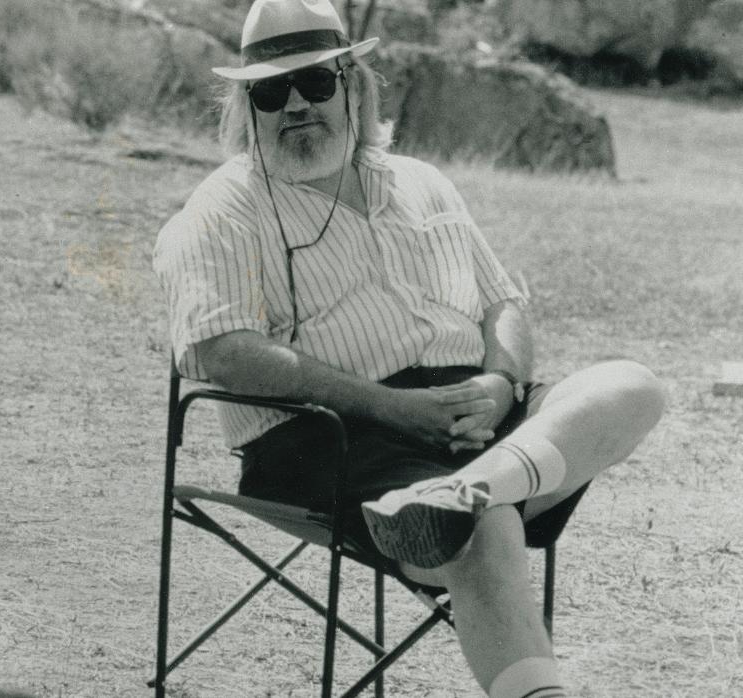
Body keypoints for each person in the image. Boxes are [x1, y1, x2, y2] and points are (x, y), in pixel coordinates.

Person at [151, 1, 666, 696]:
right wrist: (393, 408)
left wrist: (502, 384)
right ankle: (475, 508)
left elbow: (502, 301)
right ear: (249, 106)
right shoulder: (223, 208)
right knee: (484, 532)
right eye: (272, 92)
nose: (296, 105)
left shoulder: (423, 181)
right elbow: (224, 353)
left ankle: (468, 490)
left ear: (355, 85)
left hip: (476, 421)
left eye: (316, 83)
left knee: (631, 385)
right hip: (333, 436)